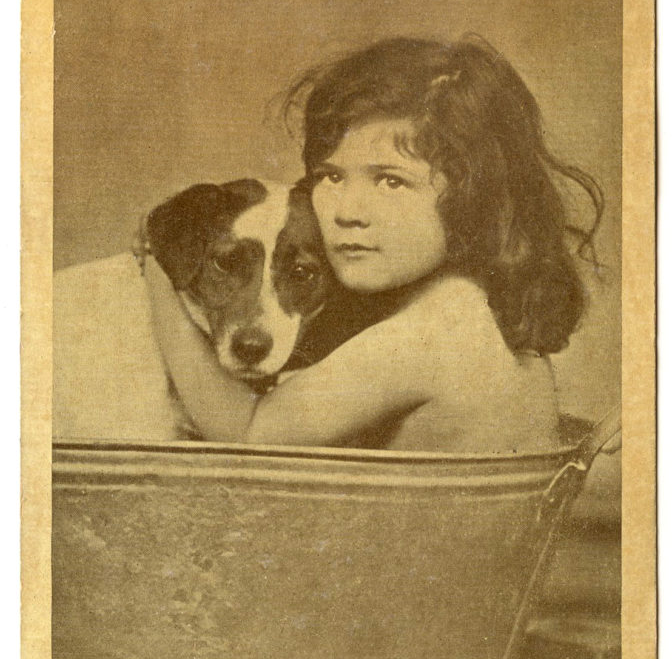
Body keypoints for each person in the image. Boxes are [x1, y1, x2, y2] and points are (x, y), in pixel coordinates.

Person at [142, 35, 603, 452]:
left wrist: (159, 268)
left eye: (389, 181)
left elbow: (247, 434)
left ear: (473, 198)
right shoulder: (468, 303)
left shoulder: (438, 328)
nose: (347, 211)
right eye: (332, 175)